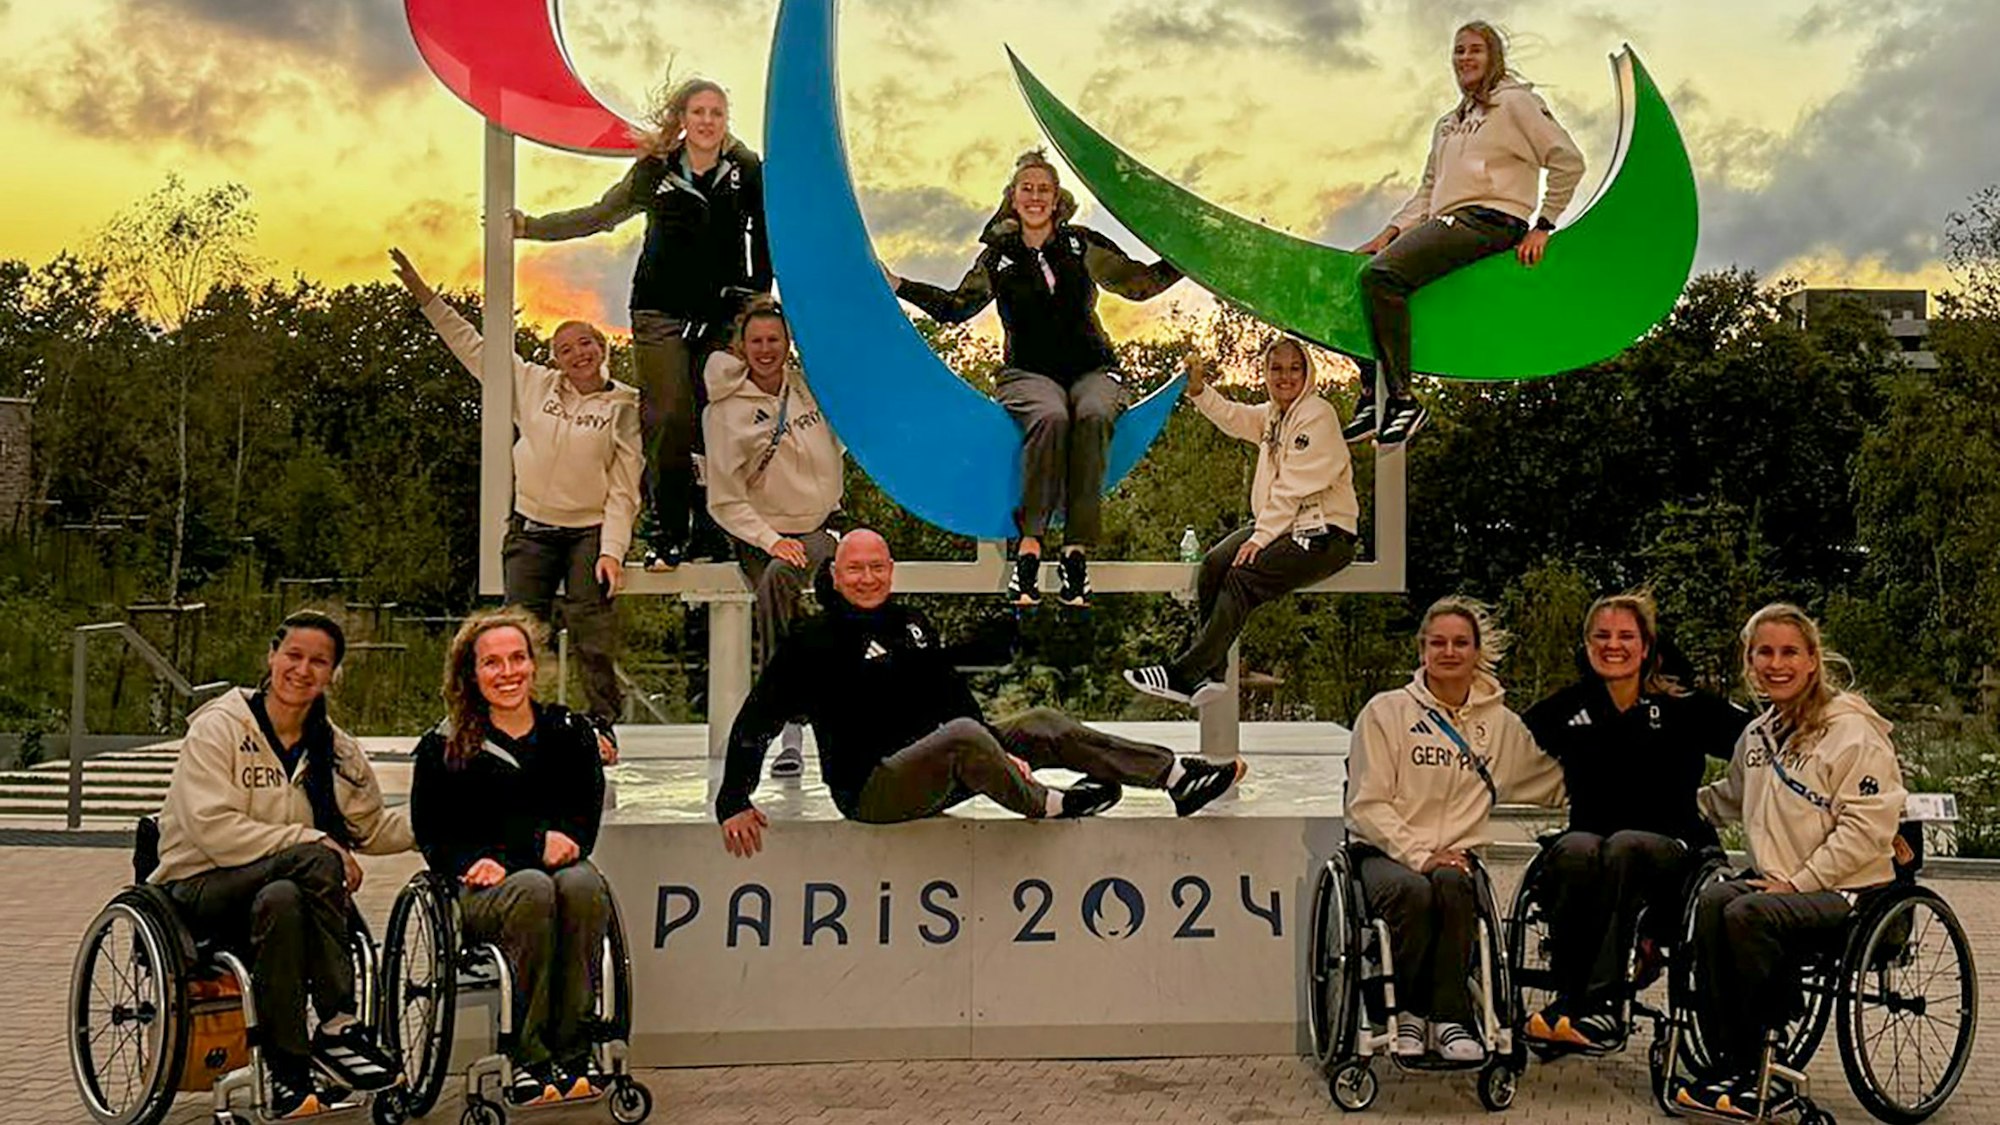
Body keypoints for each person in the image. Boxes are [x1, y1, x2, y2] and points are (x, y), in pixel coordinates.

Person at [715, 529, 1245, 855]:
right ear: (835, 573)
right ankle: (1052, 805)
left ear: (892, 571)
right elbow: (756, 721)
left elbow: (949, 698)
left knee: (1039, 722)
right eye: (856, 568)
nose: (868, 577)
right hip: (874, 791)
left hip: (942, 771)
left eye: (877, 567)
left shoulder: (911, 623)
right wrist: (733, 801)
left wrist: (1004, 751)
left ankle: (1174, 776)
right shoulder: (812, 641)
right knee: (968, 737)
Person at [886, 149, 1183, 608]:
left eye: (1044, 188)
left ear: (1057, 198)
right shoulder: (999, 258)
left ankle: (1075, 556)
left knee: (1094, 412)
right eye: (1027, 188)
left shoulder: (1080, 246)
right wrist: (902, 286)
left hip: (1092, 369)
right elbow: (956, 307)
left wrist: (1188, 260)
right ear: (1012, 197)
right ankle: (1029, 548)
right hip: (1028, 374)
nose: (1036, 196)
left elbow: (1138, 284)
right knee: (1049, 417)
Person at [151, 611, 413, 1119]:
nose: (303, 669)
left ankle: (290, 1073)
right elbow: (213, 830)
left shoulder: (333, 746)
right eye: (293, 655)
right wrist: (314, 840)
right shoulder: (220, 727)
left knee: (286, 897)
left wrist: (445, 821)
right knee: (312, 862)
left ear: (333, 673)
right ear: (272, 656)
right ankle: (340, 1021)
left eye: (319, 662)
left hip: (279, 898)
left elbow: (371, 827)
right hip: (198, 889)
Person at [515, 76, 772, 571]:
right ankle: (668, 533)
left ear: (726, 120)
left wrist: (758, 293)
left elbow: (768, 231)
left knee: (716, 414)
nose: (707, 121)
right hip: (659, 309)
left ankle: (716, 532)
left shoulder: (746, 169)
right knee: (668, 414)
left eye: (716, 113)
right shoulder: (654, 171)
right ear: (682, 118)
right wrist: (532, 227)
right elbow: (599, 215)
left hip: (723, 311)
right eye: (698, 112)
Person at [392, 248, 640, 741]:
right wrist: (425, 297)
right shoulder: (532, 385)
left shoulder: (625, 404)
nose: (578, 354)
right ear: (555, 359)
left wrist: (612, 550)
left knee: (593, 634)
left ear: (602, 347)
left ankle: (601, 728)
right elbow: (472, 345)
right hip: (532, 529)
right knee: (515, 632)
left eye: (586, 343)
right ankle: (497, 723)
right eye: (566, 348)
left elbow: (624, 487)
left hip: (589, 532)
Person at [1673, 604, 1905, 1117]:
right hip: (1780, 885)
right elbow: (1729, 797)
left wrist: (1801, 882)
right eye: (1764, 653)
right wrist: (1661, 803)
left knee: (1747, 913)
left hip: (1850, 893)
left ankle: (1761, 1063)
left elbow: (1867, 828)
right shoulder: (1758, 734)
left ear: (1813, 660)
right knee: (1713, 902)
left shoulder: (1852, 733)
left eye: (1789, 653)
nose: (1776, 665)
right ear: (1749, 661)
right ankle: (1727, 1059)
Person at [1519, 593, 1750, 1050]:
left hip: (1673, 853)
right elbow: (1496, 750)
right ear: (1586, 645)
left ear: (1646, 647)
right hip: (1593, 850)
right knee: (1572, 848)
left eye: (1626, 636)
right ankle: (1570, 997)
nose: (1613, 645)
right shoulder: (1570, 708)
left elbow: (1762, 747)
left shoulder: (1685, 706)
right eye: (1601, 636)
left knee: (1624, 845)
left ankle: (1601, 1006)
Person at [1343, 598, 1564, 1063]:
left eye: (1460, 642)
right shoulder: (1386, 713)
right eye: (1438, 642)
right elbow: (1367, 804)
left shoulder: (1500, 726)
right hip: (1385, 853)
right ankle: (1406, 1013)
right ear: (1422, 650)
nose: (1449, 651)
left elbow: (1549, 781)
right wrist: (1419, 853)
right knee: (1414, 892)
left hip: (1457, 859)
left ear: (1477, 651)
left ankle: (1449, 1019)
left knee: (1452, 882)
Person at [409, 608, 612, 1107]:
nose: (508, 673)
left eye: (517, 659)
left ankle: (575, 1049)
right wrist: (505, 855)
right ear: (471, 673)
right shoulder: (446, 745)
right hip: (484, 894)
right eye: (492, 663)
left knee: (583, 884)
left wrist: (522, 848)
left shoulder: (568, 732)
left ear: (533, 664)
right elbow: (435, 835)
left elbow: (580, 826)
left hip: (557, 879)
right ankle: (528, 1054)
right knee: (533, 888)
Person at [1347, 20, 1584, 446]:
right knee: (1355, 271)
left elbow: (1568, 160)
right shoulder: (1448, 123)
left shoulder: (1516, 104)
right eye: (1458, 51)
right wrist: (1390, 232)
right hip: (1447, 221)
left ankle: (1404, 400)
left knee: (1381, 276)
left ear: (1493, 56)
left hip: (1492, 219)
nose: (1465, 58)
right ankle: (1372, 394)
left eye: (1475, 50)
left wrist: (1544, 224)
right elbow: (1428, 192)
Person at [1123, 338, 1357, 706]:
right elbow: (1233, 417)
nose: (1285, 376)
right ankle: (1212, 676)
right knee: (1216, 563)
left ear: (1308, 372)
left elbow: (1294, 487)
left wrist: (1260, 538)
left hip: (1326, 533)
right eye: (1276, 368)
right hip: (1285, 526)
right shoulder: (1273, 415)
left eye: (1294, 368)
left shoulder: (1316, 414)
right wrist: (1199, 391)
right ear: (1264, 373)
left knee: (1242, 576)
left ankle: (1185, 674)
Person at [701, 296, 845, 780]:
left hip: (819, 527)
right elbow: (724, 498)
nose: (766, 350)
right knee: (779, 591)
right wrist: (767, 538)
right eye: (756, 341)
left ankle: (792, 723)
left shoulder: (809, 390)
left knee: (786, 584)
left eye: (775, 340)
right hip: (760, 532)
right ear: (740, 347)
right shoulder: (724, 413)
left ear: (788, 344)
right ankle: (791, 732)